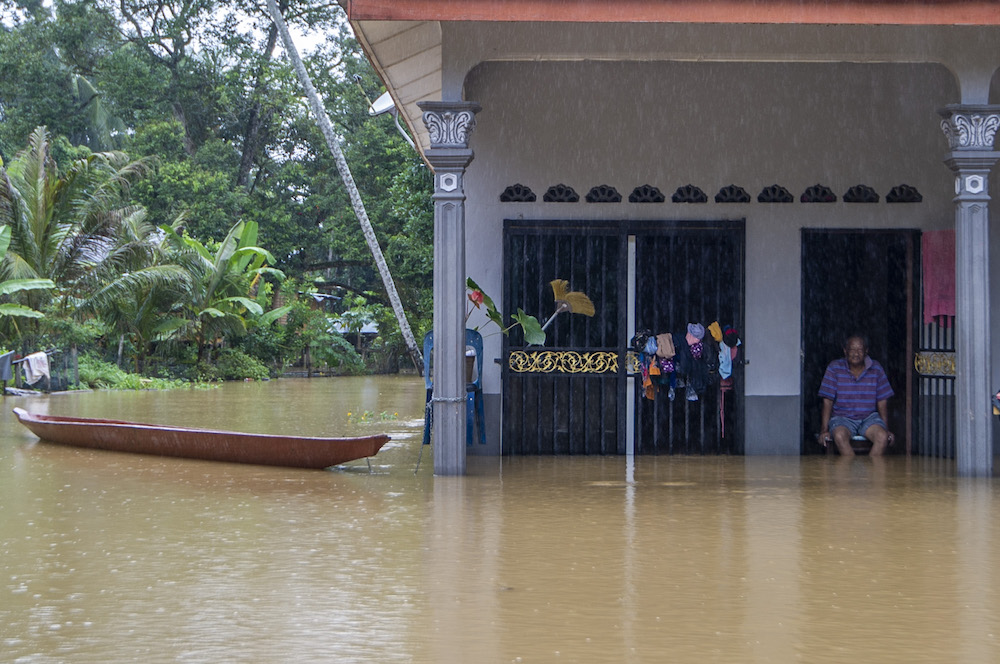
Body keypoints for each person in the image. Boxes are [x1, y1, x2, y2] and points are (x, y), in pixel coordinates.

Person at [818, 334, 895, 456]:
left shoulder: (876, 369)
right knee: (839, 436)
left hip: (869, 418)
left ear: (866, 351)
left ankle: (873, 472)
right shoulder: (834, 368)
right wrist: (824, 430)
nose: (856, 353)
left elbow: (882, 401)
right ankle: (849, 470)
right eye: (852, 349)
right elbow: (827, 401)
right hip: (842, 418)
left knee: (882, 436)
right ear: (845, 351)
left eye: (860, 349)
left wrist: (886, 428)